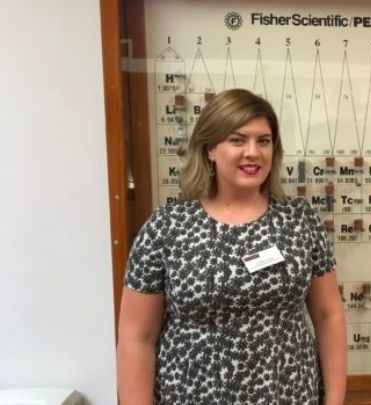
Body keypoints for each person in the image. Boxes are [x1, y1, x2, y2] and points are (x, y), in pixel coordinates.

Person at [116, 89, 347, 404]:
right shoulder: (167, 227)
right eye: (238, 140)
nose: (253, 152)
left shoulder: (299, 219)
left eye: (263, 141)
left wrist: (334, 400)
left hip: (286, 394)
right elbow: (136, 337)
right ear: (210, 149)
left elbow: (328, 314)